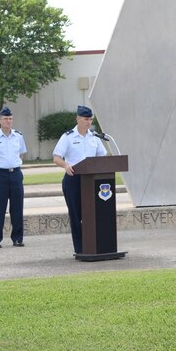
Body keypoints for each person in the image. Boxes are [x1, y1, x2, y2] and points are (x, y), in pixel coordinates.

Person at [53, 105, 107, 255]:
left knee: (92, 214)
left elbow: (102, 157)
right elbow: (56, 158)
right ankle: (80, 248)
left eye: (90, 119)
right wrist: (65, 165)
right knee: (76, 216)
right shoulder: (68, 137)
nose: (88, 122)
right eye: (86, 119)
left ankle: (94, 246)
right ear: (77, 119)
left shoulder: (95, 137)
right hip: (73, 181)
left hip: (91, 182)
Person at [0, 106, 28, 248]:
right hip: (0, 175)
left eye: (10, 118)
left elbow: (21, 153)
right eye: (5, 119)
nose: (8, 121)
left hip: (15, 173)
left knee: (17, 207)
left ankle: (17, 238)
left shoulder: (18, 136)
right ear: (0, 120)